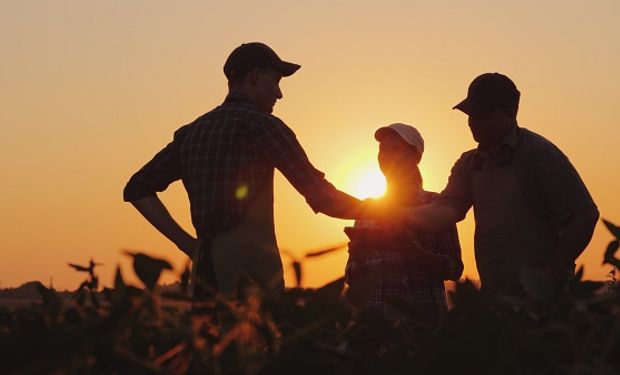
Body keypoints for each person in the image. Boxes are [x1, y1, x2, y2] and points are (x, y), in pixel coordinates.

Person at [123, 42, 362, 297]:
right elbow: (322, 197)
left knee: (209, 337)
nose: (279, 93)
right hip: (253, 278)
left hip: (204, 275)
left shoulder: (192, 133)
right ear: (256, 76)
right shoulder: (262, 126)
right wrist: (385, 213)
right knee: (256, 337)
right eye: (276, 80)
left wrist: (188, 246)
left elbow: (137, 188)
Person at [382, 73, 599, 296]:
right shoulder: (469, 164)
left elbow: (585, 215)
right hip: (496, 296)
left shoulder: (538, 153)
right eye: (470, 114)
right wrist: (394, 214)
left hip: (546, 300)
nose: (472, 121)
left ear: (510, 113)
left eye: (482, 114)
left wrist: (549, 275)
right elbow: (443, 212)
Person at [345, 123, 463, 325]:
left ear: (415, 157)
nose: (386, 155)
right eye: (383, 149)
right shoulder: (367, 209)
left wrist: (412, 251)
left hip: (424, 323)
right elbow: (351, 277)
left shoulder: (436, 205)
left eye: (395, 149)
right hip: (376, 325)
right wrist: (358, 255)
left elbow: (453, 269)